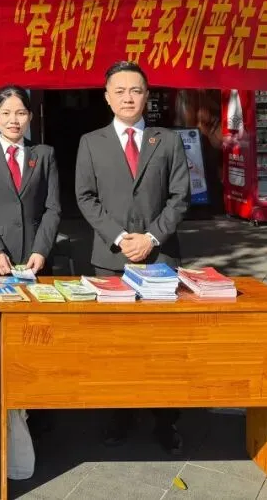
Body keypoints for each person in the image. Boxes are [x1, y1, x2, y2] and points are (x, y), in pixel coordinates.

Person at [74, 60, 191, 455]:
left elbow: (180, 197)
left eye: (135, 90)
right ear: (107, 98)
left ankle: (166, 419)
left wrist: (152, 237)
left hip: (160, 258)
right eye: (120, 91)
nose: (128, 98)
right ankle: (119, 414)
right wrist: (121, 238)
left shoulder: (167, 141)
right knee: (116, 343)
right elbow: (85, 197)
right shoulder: (91, 142)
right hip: (111, 259)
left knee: (162, 345)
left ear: (146, 96)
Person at [0, 85, 62, 277]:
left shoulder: (44, 154)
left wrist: (41, 250)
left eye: (21, 113)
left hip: (36, 259)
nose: (13, 120)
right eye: (6, 113)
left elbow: (52, 208)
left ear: (30, 116)